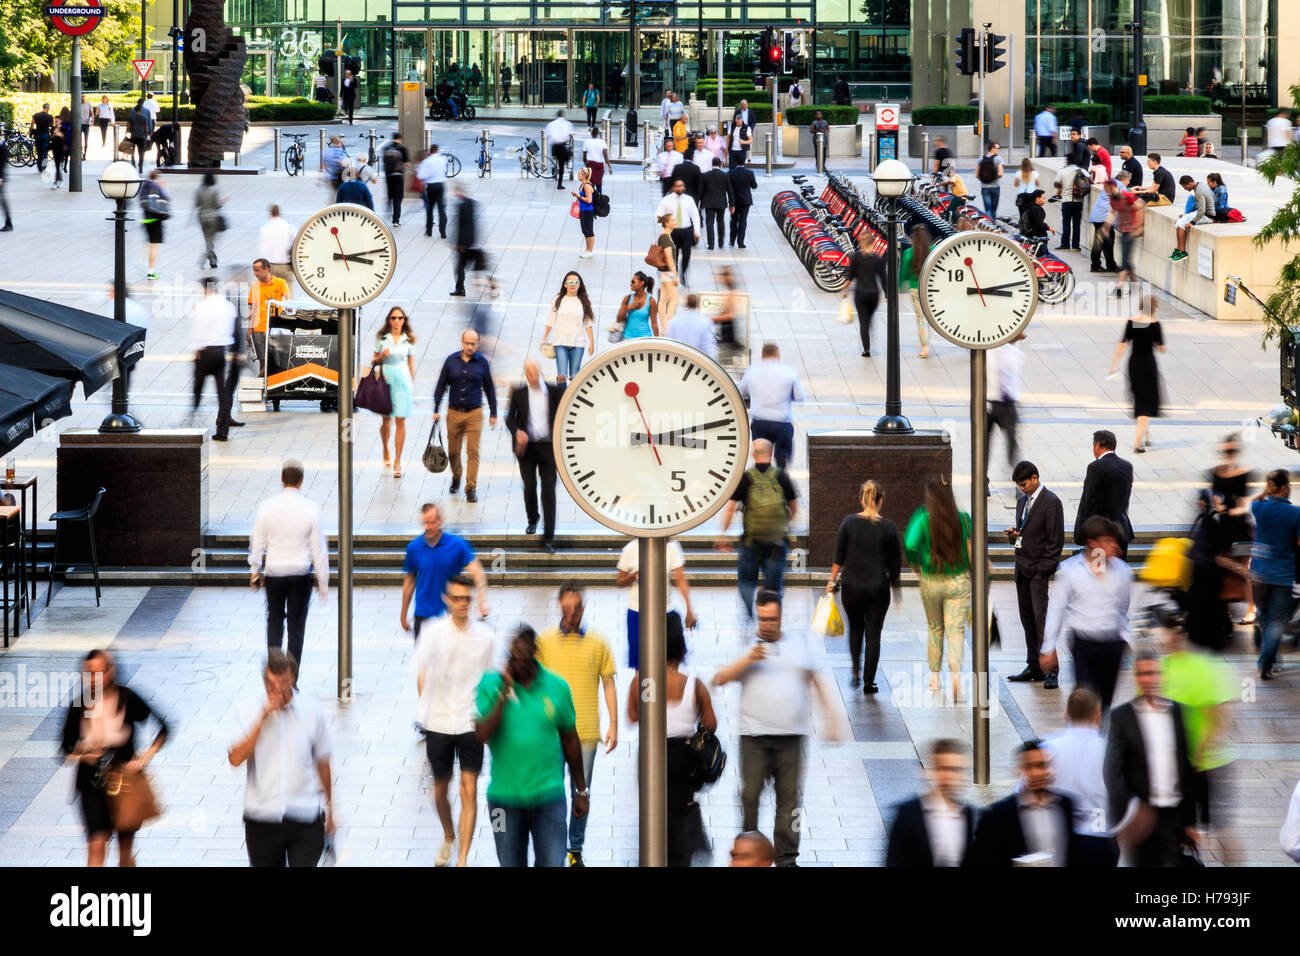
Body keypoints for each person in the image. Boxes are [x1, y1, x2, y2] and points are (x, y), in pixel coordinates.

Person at [713, 589, 841, 867]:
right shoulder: (748, 642)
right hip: (754, 737)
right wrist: (749, 659)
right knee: (749, 795)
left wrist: (831, 717)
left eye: (772, 619)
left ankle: (786, 859)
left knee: (789, 802)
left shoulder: (799, 643)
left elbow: (815, 679)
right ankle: (749, 850)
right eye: (763, 619)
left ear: (781, 616)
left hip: (791, 738)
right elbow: (720, 678)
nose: (767, 625)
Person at [474, 625, 586, 867]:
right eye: (514, 656)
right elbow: (481, 734)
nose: (518, 662)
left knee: (553, 862)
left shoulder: (557, 687)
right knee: (508, 862)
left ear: (535, 652)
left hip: (549, 797)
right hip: (502, 800)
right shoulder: (489, 684)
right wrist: (504, 691)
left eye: (524, 656)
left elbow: (570, 739)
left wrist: (581, 791)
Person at [412, 573, 494, 867]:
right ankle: (449, 835)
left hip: (471, 722)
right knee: (439, 790)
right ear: (447, 599)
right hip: (439, 722)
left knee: (469, 788)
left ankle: (462, 860)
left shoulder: (485, 637)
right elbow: (422, 672)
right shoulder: (433, 632)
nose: (462, 604)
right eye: (456, 598)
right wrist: (426, 710)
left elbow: (491, 679)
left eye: (466, 599)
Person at [61, 650, 169, 867]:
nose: (93, 679)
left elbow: (164, 727)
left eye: (99, 672)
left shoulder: (127, 698)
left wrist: (144, 758)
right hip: (91, 782)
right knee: (96, 844)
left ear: (111, 672)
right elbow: (65, 747)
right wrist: (83, 753)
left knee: (125, 848)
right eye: (89, 673)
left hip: (124, 781)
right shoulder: (79, 705)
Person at [229, 650, 336, 867]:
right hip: (262, 819)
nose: (277, 689)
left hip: (305, 816)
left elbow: (323, 762)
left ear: (293, 678)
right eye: (271, 683)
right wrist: (261, 719)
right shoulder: (246, 710)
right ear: (264, 681)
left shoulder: (312, 711)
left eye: (283, 682)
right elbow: (236, 758)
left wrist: (332, 809)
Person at [536, 582, 617, 867]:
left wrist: (614, 724)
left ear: (583, 608)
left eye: (578, 608)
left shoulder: (597, 642)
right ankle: (554, 847)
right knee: (552, 792)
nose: (573, 614)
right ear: (560, 606)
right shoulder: (544, 641)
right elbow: (533, 685)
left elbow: (608, 681)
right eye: (568, 608)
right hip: (550, 732)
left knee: (580, 793)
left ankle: (575, 850)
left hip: (585, 732)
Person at [627, 626, 716, 867]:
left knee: (654, 813)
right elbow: (710, 723)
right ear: (682, 651)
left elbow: (632, 716)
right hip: (683, 759)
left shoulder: (640, 681)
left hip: (650, 756)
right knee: (681, 811)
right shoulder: (693, 685)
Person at [1104, 651, 1199, 867]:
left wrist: (1190, 822)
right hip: (1143, 817)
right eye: (1144, 674)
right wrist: (1127, 812)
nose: (1149, 679)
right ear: (1137, 678)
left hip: (1173, 815)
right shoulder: (1122, 717)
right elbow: (1112, 770)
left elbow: (1186, 766)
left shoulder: (1179, 713)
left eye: (1154, 673)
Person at [1041, 516, 1132, 711]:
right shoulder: (1070, 571)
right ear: (1092, 544)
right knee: (1086, 699)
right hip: (1084, 644)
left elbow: (1123, 608)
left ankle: (1099, 736)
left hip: (1112, 644)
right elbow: (1057, 609)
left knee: (1106, 701)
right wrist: (1048, 647)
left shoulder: (1123, 572)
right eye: (1107, 541)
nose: (1113, 546)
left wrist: (1126, 637)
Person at [247, 457, 329, 668]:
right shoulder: (311, 508)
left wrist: (255, 570)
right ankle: (291, 678)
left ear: (282, 479)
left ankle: (274, 673)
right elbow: (318, 550)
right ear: (301, 481)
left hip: (275, 572)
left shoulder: (267, 507)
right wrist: (323, 581)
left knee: (274, 621)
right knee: (296, 627)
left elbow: (258, 541)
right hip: (300, 573)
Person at [827, 480, 902, 692]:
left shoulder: (849, 522)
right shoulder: (888, 527)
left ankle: (856, 671)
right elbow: (894, 563)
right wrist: (896, 590)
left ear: (861, 499)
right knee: (873, 635)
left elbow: (839, 555)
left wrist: (832, 581)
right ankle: (869, 681)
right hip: (878, 588)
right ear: (881, 501)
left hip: (851, 586)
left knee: (856, 628)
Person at [1161, 619, 1235, 831]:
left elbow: (1217, 719)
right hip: (1175, 763)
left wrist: (1198, 757)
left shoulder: (1201, 667)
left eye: (1172, 634)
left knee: (1215, 830)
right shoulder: (1159, 667)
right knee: (1183, 826)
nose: (1167, 639)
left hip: (1202, 764)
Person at [905, 476, 973, 700]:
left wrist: (916, 565)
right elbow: (972, 550)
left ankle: (935, 677)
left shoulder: (923, 518)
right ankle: (956, 677)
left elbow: (909, 544)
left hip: (932, 580)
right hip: (958, 580)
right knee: (956, 631)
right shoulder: (963, 519)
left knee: (935, 628)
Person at [716, 438, 798, 616]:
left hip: (750, 542)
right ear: (772, 454)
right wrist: (784, 525)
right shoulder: (782, 476)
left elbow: (730, 508)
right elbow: (794, 508)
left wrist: (723, 534)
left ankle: (749, 615)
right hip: (777, 542)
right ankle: (770, 620)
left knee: (746, 583)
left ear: (753, 455)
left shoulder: (746, 478)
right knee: (774, 586)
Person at [968, 740, 1081, 867]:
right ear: (1020, 770)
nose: (1037, 773)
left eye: (1042, 765)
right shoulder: (997, 815)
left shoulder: (1066, 805)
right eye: (1029, 766)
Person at [1005, 460, 1065, 687]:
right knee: (1027, 619)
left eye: (1024, 484)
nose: (1022, 489)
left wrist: (1044, 569)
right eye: (1019, 486)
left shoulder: (1052, 502)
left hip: (1038, 571)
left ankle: (1050, 670)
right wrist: (1014, 535)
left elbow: (1055, 540)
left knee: (1042, 621)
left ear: (1034, 478)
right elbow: (1025, 532)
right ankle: (1034, 665)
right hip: (1022, 568)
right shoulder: (1023, 502)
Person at [1043, 689, 1119, 866]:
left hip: (1057, 837)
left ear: (1066, 714)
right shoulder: (1110, 750)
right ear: (1098, 716)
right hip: (1100, 836)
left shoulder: (1046, 747)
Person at [401, 502, 489, 637]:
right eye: (425, 523)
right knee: (424, 658)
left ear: (440, 521)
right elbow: (409, 581)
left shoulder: (457, 544)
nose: (428, 527)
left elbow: (477, 572)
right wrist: (403, 613)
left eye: (432, 522)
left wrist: (481, 601)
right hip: (423, 616)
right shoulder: (414, 548)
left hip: (451, 616)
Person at [432, 328, 497, 502]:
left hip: (474, 413)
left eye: (473, 344)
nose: (469, 347)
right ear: (462, 343)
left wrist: (493, 412)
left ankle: (471, 488)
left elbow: (489, 388)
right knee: (453, 451)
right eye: (467, 343)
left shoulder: (482, 363)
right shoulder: (451, 361)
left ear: (477, 344)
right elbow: (441, 385)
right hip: (454, 412)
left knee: (473, 452)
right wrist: (436, 409)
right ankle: (457, 475)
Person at [885, 739, 974, 867]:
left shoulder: (968, 814)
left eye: (956, 769)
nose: (949, 776)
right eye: (943, 768)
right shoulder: (907, 814)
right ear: (933, 771)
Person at [505, 358, 563, 551]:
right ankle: (532, 518)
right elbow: (509, 418)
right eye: (529, 375)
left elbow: (567, 409)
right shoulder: (519, 393)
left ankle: (548, 537)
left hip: (548, 446)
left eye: (535, 374)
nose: (532, 378)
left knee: (548, 491)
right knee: (529, 486)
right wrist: (517, 432)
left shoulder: (554, 392)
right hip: (527, 447)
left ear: (540, 372)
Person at [616, 535, 697, 669]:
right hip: (638, 611)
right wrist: (634, 575)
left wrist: (689, 609)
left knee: (672, 663)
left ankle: (670, 689)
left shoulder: (672, 548)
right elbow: (620, 581)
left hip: (665, 611)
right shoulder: (631, 548)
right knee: (641, 667)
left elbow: (680, 579)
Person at [1251, 468, 1300, 680]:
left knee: (1264, 617)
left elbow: (1255, 500)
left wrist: (1265, 492)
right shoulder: (1295, 513)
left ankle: (1270, 656)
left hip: (1259, 574)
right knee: (1277, 622)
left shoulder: (1259, 507)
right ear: (1285, 487)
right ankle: (1265, 660)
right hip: (1282, 575)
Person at [1209, 434, 1255, 629]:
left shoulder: (1244, 474)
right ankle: (1225, 607)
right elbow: (1215, 497)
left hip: (1240, 526)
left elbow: (1244, 504)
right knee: (1219, 564)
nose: (1229, 455)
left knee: (1245, 569)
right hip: (1222, 526)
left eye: (1232, 451)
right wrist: (1217, 506)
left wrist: (1227, 509)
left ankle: (1252, 608)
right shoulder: (1215, 473)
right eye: (1226, 451)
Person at [1109, 296, 1165, 452]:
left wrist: (1114, 364)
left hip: (1133, 364)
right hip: (1148, 365)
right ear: (1154, 308)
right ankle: (1137, 443)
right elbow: (1161, 348)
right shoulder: (1156, 325)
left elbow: (1123, 344)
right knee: (1145, 405)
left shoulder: (1131, 322)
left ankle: (1146, 436)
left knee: (1139, 400)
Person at [738, 343, 805, 470]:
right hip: (782, 421)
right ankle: (781, 477)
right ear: (778, 356)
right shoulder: (789, 372)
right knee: (782, 457)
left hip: (760, 421)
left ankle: (763, 479)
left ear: (762, 356)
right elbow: (800, 397)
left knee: (762, 457)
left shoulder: (752, 371)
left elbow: (742, 391)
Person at [370, 306, 417, 476]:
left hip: (403, 381)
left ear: (404, 320)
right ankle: (385, 448)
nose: (397, 321)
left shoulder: (409, 339)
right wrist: (382, 356)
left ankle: (398, 460)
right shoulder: (382, 338)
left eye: (400, 318)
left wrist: (412, 384)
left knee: (400, 421)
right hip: (386, 380)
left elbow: (411, 364)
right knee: (386, 421)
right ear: (389, 320)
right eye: (393, 318)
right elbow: (373, 361)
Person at [190, 275, 237, 441]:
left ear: (205, 289)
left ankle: (190, 422)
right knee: (222, 394)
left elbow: (198, 330)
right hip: (221, 352)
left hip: (205, 351)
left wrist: (196, 349)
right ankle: (222, 431)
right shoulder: (228, 306)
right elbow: (231, 329)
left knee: (197, 388)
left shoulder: (201, 306)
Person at [1074, 429, 1135, 557]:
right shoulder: (1127, 466)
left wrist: (1085, 532)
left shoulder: (1095, 467)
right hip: (1121, 529)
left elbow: (1090, 501)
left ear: (1097, 446)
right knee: (1117, 570)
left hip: (1101, 535)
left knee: (1100, 572)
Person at [541, 271, 595, 384]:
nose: (572, 284)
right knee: (561, 376)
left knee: (575, 377)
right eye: (569, 282)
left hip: (578, 344)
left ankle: (570, 400)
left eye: (575, 282)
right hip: (560, 343)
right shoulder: (558, 299)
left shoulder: (583, 301)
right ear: (565, 284)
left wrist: (592, 342)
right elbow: (550, 320)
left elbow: (588, 323)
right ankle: (561, 399)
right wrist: (544, 338)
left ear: (580, 285)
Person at [841, 233, 886, 358]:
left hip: (860, 293)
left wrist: (845, 290)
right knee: (869, 318)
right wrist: (887, 294)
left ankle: (866, 349)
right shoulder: (877, 259)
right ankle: (869, 329)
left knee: (863, 322)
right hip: (874, 294)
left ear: (860, 242)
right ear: (873, 243)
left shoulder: (856, 257)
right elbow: (883, 278)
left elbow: (851, 276)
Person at [985, 334, 1025, 469]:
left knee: (1012, 441)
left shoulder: (1013, 351)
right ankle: (982, 480)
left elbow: (1022, 334)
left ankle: (1018, 477)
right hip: (987, 403)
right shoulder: (987, 350)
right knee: (984, 445)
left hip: (1007, 404)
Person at [655, 179, 701, 287]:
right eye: (678, 186)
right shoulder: (667, 200)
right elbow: (659, 214)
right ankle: (674, 275)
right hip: (673, 231)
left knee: (687, 254)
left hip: (686, 230)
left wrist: (696, 231)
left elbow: (695, 216)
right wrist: (664, 230)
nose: (680, 188)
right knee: (672, 256)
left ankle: (683, 272)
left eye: (682, 186)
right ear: (673, 187)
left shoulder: (689, 200)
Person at [246, 258, 288, 377]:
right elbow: (252, 310)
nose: (255, 273)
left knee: (275, 358)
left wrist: (288, 305)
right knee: (262, 360)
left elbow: (287, 296)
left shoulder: (280, 283)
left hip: (275, 328)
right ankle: (263, 385)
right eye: (254, 271)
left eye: (258, 270)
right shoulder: (254, 287)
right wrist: (249, 330)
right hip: (259, 329)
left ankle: (261, 381)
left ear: (266, 269)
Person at [896, 225, 932, 358]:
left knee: (920, 318)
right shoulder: (932, 250)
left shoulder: (908, 253)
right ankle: (927, 339)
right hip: (930, 288)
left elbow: (903, 274)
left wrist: (900, 289)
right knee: (929, 317)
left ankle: (925, 347)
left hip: (915, 289)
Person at [1105, 176, 1145, 293]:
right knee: (1127, 259)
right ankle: (1134, 285)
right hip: (1123, 230)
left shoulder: (1126, 196)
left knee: (1124, 259)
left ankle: (1119, 287)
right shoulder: (1113, 199)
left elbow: (1141, 206)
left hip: (1132, 231)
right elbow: (1112, 212)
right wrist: (1106, 226)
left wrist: (1139, 227)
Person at [449, 185, 483, 296]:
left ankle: (460, 289)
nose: (455, 194)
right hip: (472, 241)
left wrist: (459, 244)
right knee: (475, 267)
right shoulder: (472, 203)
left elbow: (461, 226)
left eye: (456, 191)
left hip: (464, 244)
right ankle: (462, 288)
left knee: (459, 268)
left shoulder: (462, 206)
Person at [1171, 174, 1213, 261]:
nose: (1185, 189)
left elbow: (1202, 210)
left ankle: (1183, 252)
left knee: (1182, 224)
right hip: (1202, 213)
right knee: (1179, 222)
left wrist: (1192, 222)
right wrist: (1187, 215)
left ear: (1189, 184)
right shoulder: (1199, 186)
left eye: (1184, 187)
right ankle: (1178, 249)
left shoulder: (1199, 191)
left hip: (1208, 216)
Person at [137, 170, 169, 280]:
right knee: (154, 246)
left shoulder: (144, 186)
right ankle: (150, 272)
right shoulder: (156, 186)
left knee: (149, 243)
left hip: (146, 219)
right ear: (157, 177)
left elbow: (142, 202)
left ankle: (144, 261)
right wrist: (162, 188)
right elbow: (166, 198)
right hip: (156, 218)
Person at [193, 172, 227, 270]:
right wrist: (223, 200)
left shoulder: (198, 190)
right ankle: (203, 259)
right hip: (213, 217)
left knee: (208, 240)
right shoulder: (215, 190)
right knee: (210, 241)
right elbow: (217, 205)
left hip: (202, 217)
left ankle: (213, 261)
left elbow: (197, 204)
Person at [258, 205, 296, 292]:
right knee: (288, 292)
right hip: (286, 265)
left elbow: (263, 250)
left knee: (271, 293)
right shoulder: (289, 227)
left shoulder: (264, 228)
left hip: (271, 266)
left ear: (270, 214)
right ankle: (288, 305)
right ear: (279, 213)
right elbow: (295, 243)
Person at [699, 155, 733, 250]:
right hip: (721, 203)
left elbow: (701, 191)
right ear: (720, 164)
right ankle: (721, 242)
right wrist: (732, 204)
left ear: (711, 164)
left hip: (709, 203)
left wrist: (701, 204)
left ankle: (711, 244)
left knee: (709, 223)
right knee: (720, 222)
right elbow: (730, 191)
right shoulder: (725, 175)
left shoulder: (706, 175)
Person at [416, 144, 450, 238]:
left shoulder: (427, 161)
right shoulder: (443, 159)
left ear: (430, 151)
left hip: (431, 186)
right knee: (442, 209)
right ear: (437, 151)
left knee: (430, 209)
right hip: (441, 185)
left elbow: (421, 175)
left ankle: (429, 231)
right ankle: (443, 232)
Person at [615, 271, 659, 340]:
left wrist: (658, 341)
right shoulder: (627, 298)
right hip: (627, 338)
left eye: (633, 282)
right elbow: (618, 319)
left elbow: (654, 324)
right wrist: (628, 307)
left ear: (642, 283)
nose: (630, 284)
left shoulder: (651, 301)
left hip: (645, 339)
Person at [1088, 175, 1119, 272]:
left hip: (1098, 217)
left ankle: (1099, 265)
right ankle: (1104, 266)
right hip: (1103, 219)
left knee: (1101, 243)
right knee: (1106, 243)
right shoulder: (1119, 185)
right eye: (1128, 181)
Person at [728, 150, 757, 247]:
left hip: (734, 201)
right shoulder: (749, 173)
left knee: (733, 220)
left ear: (735, 162)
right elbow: (754, 186)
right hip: (746, 200)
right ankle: (740, 242)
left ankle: (732, 240)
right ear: (744, 162)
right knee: (743, 221)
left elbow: (728, 187)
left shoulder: (730, 173)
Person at [381, 132, 409, 226]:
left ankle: (387, 212)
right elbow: (407, 163)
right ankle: (396, 220)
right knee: (398, 198)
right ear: (400, 139)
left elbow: (384, 163)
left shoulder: (386, 148)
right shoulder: (402, 149)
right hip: (398, 176)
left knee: (390, 196)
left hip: (389, 176)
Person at [545, 109, 575, 191]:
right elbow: (571, 135)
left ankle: (556, 168)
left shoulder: (551, 124)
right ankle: (559, 184)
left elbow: (547, 136)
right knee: (563, 164)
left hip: (554, 147)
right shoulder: (567, 124)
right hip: (562, 147)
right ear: (563, 115)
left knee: (557, 159)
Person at [572, 165, 597, 259]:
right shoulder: (582, 185)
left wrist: (578, 196)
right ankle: (587, 250)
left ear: (584, 175)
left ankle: (590, 251)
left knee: (589, 231)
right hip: (583, 210)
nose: (578, 175)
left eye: (579, 174)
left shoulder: (586, 186)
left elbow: (589, 200)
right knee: (585, 231)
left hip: (588, 211)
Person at [976, 141, 1004, 217]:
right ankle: (993, 225)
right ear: (992, 148)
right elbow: (1000, 174)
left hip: (984, 187)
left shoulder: (981, 159)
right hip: (995, 187)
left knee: (988, 210)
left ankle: (989, 224)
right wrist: (993, 177)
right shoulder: (998, 159)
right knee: (994, 210)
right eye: (997, 148)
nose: (998, 150)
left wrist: (985, 177)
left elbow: (977, 175)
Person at [583, 126, 611, 193]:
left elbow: (584, 157)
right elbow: (605, 156)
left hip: (590, 164)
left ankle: (591, 199)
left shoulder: (587, 142)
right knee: (599, 183)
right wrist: (610, 167)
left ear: (591, 133)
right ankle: (599, 197)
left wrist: (586, 164)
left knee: (590, 184)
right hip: (599, 165)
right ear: (598, 133)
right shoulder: (602, 142)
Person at [126, 102, 149, 173]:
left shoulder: (130, 117)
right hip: (141, 137)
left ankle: (133, 165)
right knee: (141, 153)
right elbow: (146, 129)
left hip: (133, 136)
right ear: (140, 110)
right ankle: (141, 168)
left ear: (134, 110)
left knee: (132, 152)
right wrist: (145, 135)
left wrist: (127, 133)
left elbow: (128, 127)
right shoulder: (144, 118)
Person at [30, 102, 53, 172]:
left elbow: (32, 124)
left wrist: (32, 131)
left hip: (38, 135)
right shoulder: (50, 117)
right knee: (45, 152)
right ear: (48, 108)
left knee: (39, 152)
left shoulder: (36, 115)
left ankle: (39, 167)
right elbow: (52, 126)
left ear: (43, 107)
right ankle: (44, 168)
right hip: (46, 135)